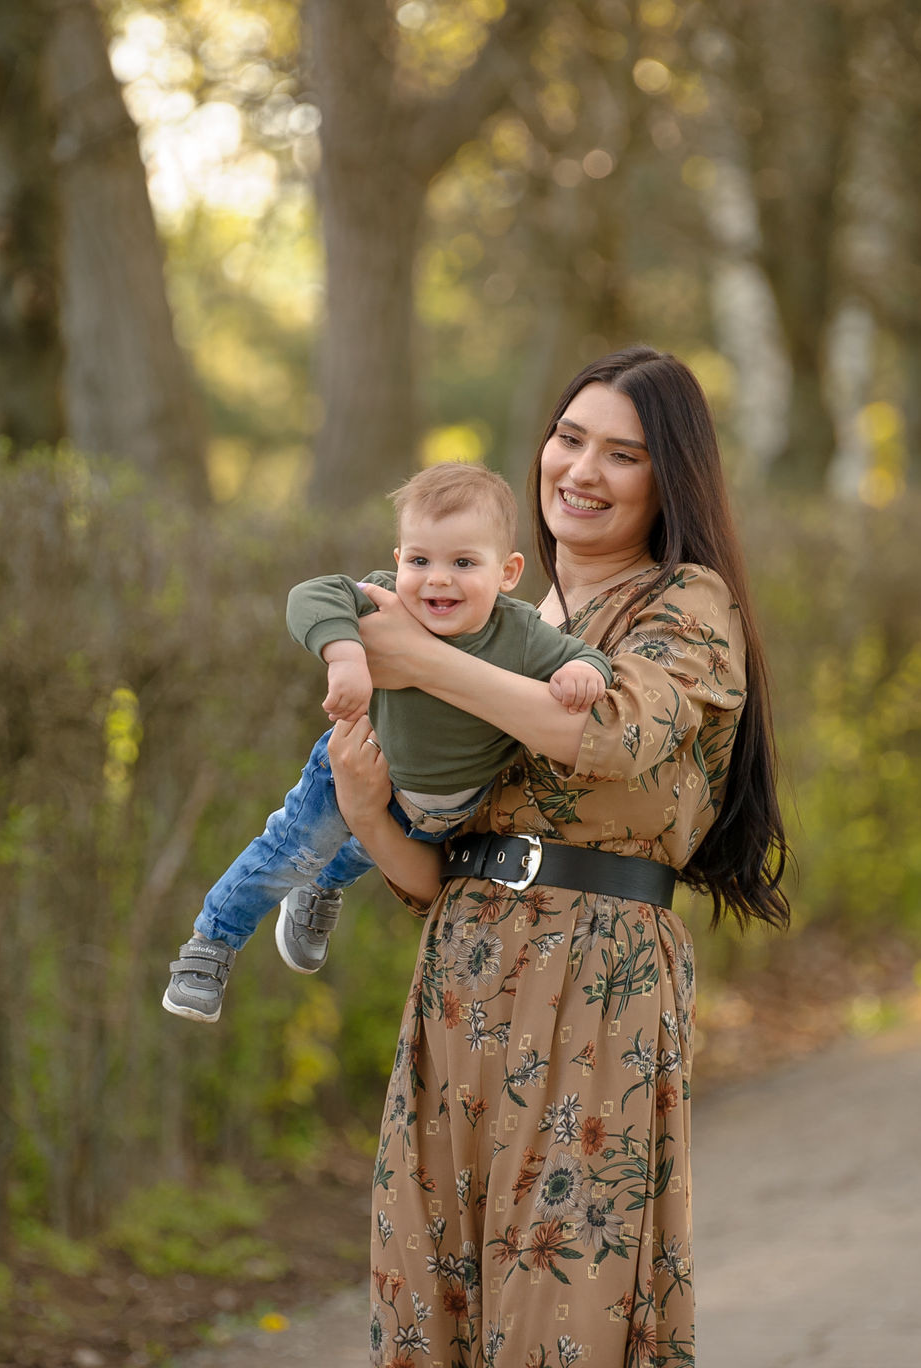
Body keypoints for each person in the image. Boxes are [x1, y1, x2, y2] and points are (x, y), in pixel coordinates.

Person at [329, 346, 790, 1367]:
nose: (579, 470)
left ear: (666, 478)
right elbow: (438, 875)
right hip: (460, 983)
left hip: (597, 986)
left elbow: (612, 735)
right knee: (429, 1295)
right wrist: (368, 818)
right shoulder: (502, 624)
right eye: (568, 438)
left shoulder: (686, 606)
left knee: (559, 1303)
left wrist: (419, 659)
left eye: (620, 454)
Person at [162, 461, 616, 1023]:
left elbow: (587, 659)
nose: (438, 579)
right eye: (420, 560)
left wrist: (585, 674)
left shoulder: (519, 633)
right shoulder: (383, 600)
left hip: (441, 810)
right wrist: (345, 654)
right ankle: (210, 947)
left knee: (356, 853)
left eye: (464, 562)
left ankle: (321, 888)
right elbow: (310, 596)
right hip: (353, 771)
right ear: (399, 561)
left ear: (508, 572)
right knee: (291, 852)